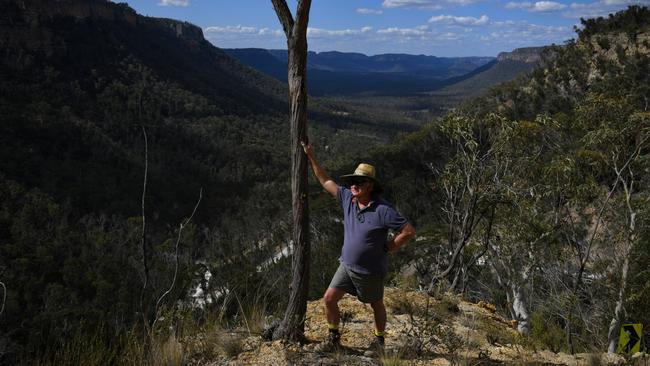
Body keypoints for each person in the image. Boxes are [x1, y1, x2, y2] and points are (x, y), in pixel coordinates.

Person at [301, 142, 416, 354]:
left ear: (370, 185)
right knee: (328, 299)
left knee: (376, 305)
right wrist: (311, 156)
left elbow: (408, 231)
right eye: (353, 181)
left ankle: (379, 343)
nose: (354, 185)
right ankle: (333, 339)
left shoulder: (383, 210)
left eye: (360, 182)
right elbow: (325, 180)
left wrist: (390, 247)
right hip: (346, 266)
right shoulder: (347, 198)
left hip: (370, 271)